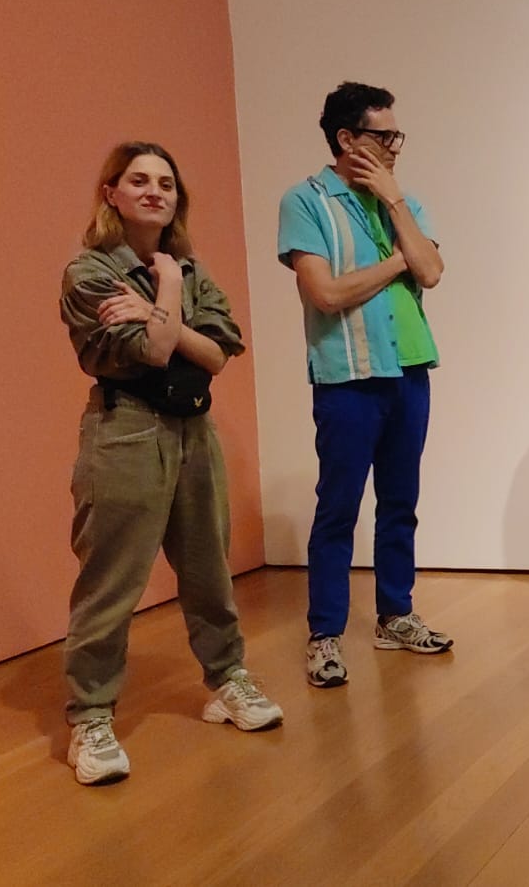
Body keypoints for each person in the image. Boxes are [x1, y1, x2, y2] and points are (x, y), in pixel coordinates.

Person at [59, 141, 283, 785]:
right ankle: (90, 717)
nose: (155, 191)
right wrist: (170, 306)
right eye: (139, 180)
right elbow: (154, 353)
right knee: (111, 582)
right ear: (112, 193)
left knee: (209, 568)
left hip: (193, 429)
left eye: (166, 183)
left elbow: (217, 354)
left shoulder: (187, 268)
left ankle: (228, 679)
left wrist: (164, 295)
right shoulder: (89, 272)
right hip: (124, 429)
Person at [277, 81, 451, 689]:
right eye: (384, 136)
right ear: (347, 139)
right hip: (347, 374)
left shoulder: (405, 202)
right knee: (339, 508)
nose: (394, 147)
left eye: (397, 136)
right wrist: (399, 259)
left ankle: (395, 615)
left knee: (401, 502)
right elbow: (325, 294)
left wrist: (395, 204)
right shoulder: (305, 201)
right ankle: (325, 633)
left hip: (410, 368)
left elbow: (432, 271)